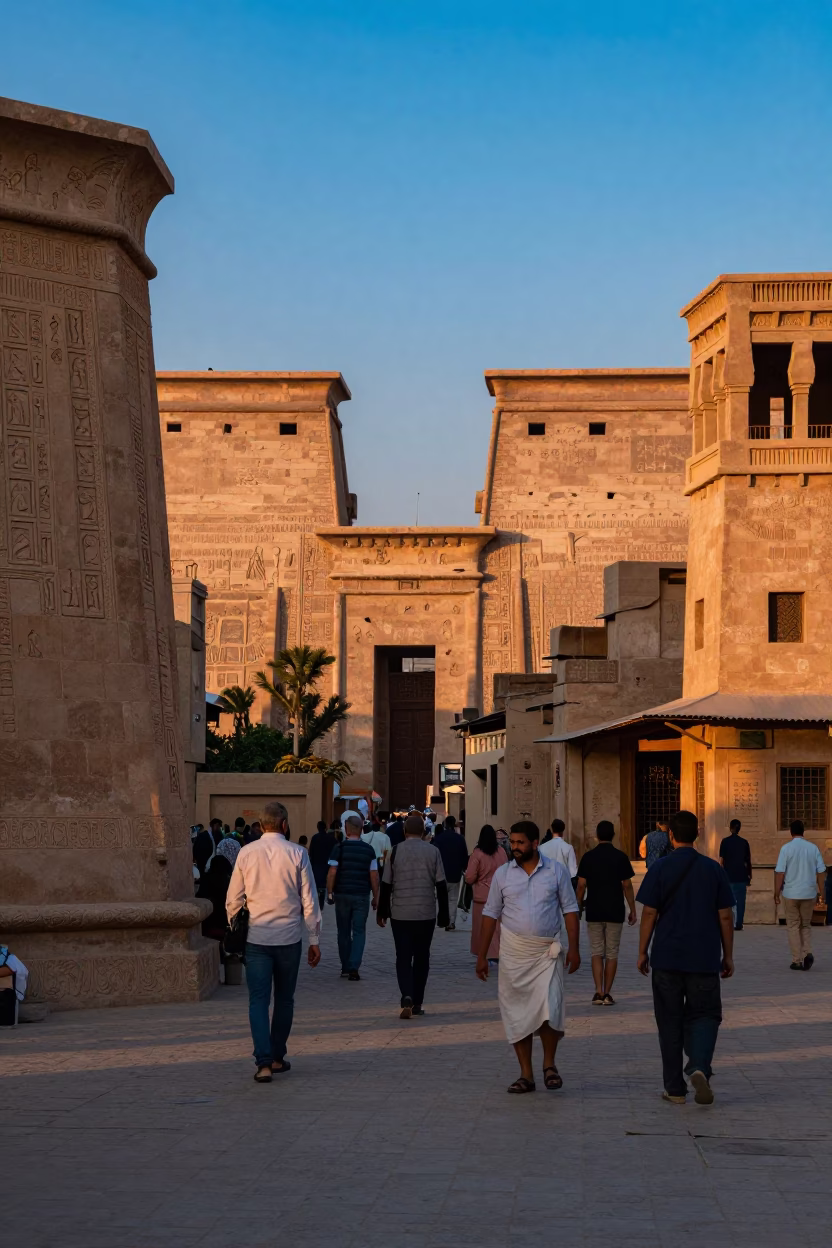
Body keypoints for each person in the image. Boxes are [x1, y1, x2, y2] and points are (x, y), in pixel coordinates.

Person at [636, 809, 734, 1106]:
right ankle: (699, 1065)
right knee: (705, 1015)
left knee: (669, 1021)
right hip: (703, 958)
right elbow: (726, 916)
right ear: (697, 835)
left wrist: (642, 951)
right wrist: (727, 955)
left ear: (670, 835)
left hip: (667, 957)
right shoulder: (713, 870)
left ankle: (674, 1089)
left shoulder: (660, 869)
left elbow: (650, 912)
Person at [477, 820, 580, 1093]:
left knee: (551, 1008)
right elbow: (490, 914)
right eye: (512, 843)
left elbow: (570, 910)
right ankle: (526, 1074)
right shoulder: (503, 874)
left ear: (535, 843)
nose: (515, 847)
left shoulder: (556, 871)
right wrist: (483, 954)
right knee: (518, 1012)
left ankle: (549, 1065)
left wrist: (576, 948)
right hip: (513, 953)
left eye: (520, 842)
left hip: (547, 951)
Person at [225, 800, 321, 1083]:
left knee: (257, 1000)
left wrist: (236, 927)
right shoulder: (298, 854)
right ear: (284, 824)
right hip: (289, 938)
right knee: (285, 999)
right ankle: (278, 1056)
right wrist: (314, 939)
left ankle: (263, 1063)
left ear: (261, 825)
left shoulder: (246, 853)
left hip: (256, 938)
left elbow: (233, 900)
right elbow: (309, 901)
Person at [377, 813, 449, 1018]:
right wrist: (444, 915)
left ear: (404, 831)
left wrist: (382, 912)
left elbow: (386, 884)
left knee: (403, 956)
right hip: (425, 913)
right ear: (424, 831)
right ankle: (417, 1002)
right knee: (422, 957)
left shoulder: (395, 851)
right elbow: (441, 885)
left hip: (400, 913)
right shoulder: (433, 851)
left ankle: (406, 994)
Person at [575, 820, 636, 1006]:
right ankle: (608, 993)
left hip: (594, 909)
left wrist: (577, 906)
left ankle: (598, 991)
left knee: (596, 952)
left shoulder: (588, 857)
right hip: (615, 910)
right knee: (611, 953)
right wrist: (632, 909)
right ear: (613, 835)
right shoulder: (620, 857)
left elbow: (581, 885)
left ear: (597, 835)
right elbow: (626, 885)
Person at [327, 812, 379, 980]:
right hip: (361, 895)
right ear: (361, 829)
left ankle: (345, 966)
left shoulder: (339, 848)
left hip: (342, 894)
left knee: (343, 931)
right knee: (359, 931)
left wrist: (329, 892)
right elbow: (374, 875)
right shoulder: (369, 850)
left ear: (347, 829)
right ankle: (354, 965)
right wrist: (376, 896)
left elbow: (332, 872)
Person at [774, 819, 826, 970]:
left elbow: (780, 873)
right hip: (809, 893)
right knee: (806, 925)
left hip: (790, 893)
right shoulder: (813, 848)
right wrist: (822, 893)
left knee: (793, 926)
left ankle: (796, 960)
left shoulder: (786, 849)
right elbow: (821, 871)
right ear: (803, 831)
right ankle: (807, 952)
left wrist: (776, 893)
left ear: (791, 832)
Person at [464, 824, 508, 961]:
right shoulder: (501, 852)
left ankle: (487, 953)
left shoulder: (477, 854)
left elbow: (470, 877)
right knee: (498, 927)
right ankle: (498, 952)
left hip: (482, 896)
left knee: (482, 927)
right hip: (499, 894)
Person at [432, 814, 469, 931]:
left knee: (442, 899)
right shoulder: (460, 839)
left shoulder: (439, 839)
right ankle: (451, 922)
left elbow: (433, 855)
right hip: (455, 873)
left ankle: (443, 919)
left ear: (445, 824)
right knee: (453, 899)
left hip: (440, 874)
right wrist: (464, 868)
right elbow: (464, 856)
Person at [718, 819, 752, 930]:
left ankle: (730, 922)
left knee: (729, 901)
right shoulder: (744, 842)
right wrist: (749, 876)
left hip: (728, 876)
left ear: (730, 827)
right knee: (741, 901)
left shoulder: (725, 842)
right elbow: (748, 862)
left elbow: (721, 860)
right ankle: (739, 923)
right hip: (741, 875)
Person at [308, 819, 337, 906]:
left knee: (318, 882)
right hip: (328, 862)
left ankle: (319, 898)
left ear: (318, 828)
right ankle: (328, 896)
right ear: (325, 828)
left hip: (317, 863)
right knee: (327, 881)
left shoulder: (314, 838)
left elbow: (311, 851)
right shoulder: (331, 838)